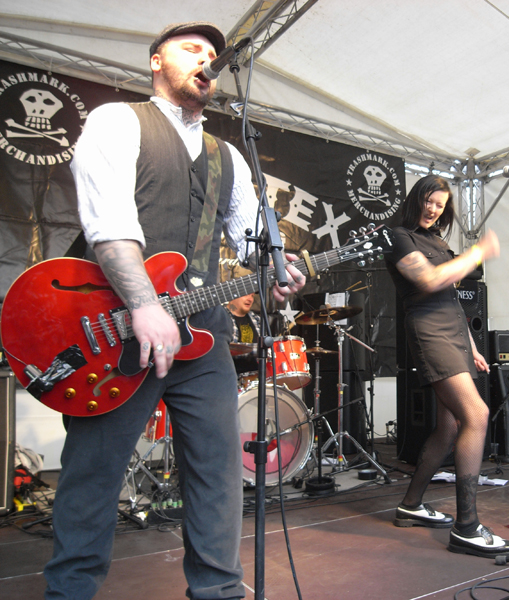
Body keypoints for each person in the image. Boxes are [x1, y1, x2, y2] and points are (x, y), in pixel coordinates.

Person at [44, 22, 306, 599]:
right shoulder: (118, 120)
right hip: (120, 329)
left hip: (202, 333)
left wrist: (281, 269)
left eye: (213, 53)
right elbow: (107, 223)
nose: (206, 59)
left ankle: (219, 591)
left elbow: (252, 239)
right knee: (94, 474)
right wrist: (143, 305)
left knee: (218, 473)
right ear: (156, 61)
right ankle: (69, 592)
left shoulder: (228, 155)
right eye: (191, 49)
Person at [385, 175, 509, 559]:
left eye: (440, 205)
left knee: (449, 427)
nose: (433, 209)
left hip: (454, 335)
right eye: (428, 201)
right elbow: (429, 280)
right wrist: (478, 252)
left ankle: (410, 505)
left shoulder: (438, 242)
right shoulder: (398, 236)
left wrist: (472, 346)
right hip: (430, 333)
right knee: (477, 414)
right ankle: (467, 527)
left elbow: (453, 299)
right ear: (416, 199)